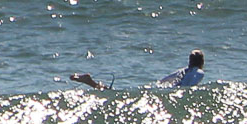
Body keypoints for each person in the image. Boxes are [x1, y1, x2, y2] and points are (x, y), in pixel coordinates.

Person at [70, 50, 205, 90]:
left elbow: (163, 80)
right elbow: (188, 87)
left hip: (165, 88)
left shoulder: (183, 70)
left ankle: (91, 82)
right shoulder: (198, 72)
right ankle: (91, 82)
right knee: (114, 93)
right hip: (175, 91)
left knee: (115, 93)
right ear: (202, 62)